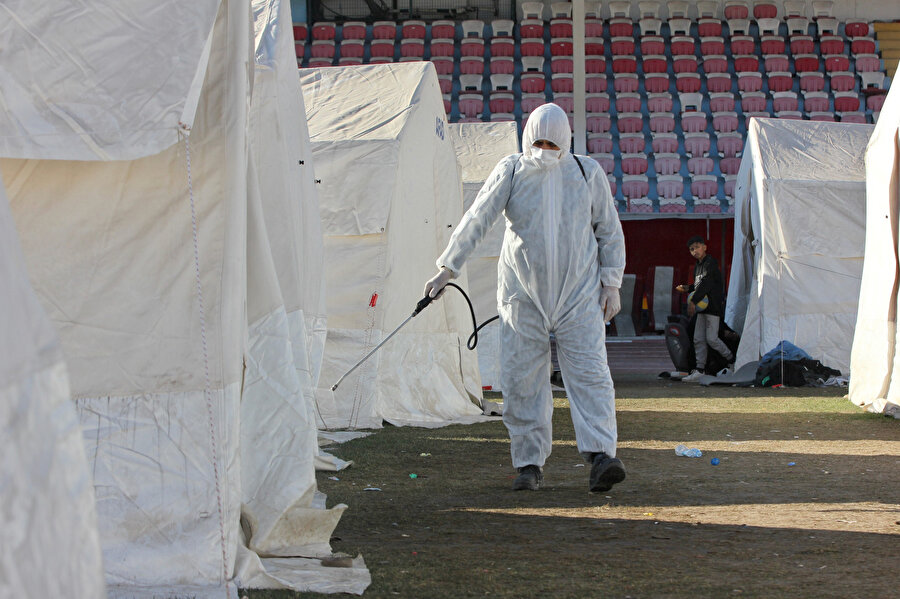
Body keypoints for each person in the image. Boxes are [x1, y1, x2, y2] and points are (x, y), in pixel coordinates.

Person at [423, 103, 626, 492]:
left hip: (578, 296)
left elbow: (609, 231)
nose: (545, 148)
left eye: (552, 142)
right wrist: (448, 267)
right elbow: (478, 218)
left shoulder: (586, 173)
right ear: (527, 138)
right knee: (522, 380)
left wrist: (611, 282)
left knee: (590, 376)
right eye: (539, 141)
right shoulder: (512, 170)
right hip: (523, 295)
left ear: (566, 140)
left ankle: (601, 456)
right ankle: (529, 463)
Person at [675, 236, 734, 382]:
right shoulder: (697, 266)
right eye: (691, 249)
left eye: (697, 247)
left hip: (712, 308)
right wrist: (688, 288)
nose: (695, 251)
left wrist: (693, 302)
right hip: (702, 309)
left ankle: (732, 360)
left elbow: (706, 283)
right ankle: (699, 370)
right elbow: (698, 285)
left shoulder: (710, 263)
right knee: (698, 339)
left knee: (712, 339)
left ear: (705, 247)